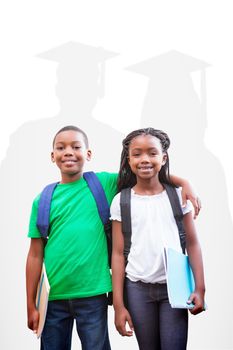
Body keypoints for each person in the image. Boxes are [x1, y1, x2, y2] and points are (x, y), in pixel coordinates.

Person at [26, 125, 201, 350]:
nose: (68, 152)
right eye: (61, 148)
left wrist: (185, 183)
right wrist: (30, 303)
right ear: (53, 156)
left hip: (94, 294)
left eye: (76, 146)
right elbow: (34, 255)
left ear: (88, 154)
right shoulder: (42, 200)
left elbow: (144, 169)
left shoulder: (103, 184)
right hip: (52, 299)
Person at [110, 127, 205, 350]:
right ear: (128, 159)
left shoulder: (178, 196)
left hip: (175, 286)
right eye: (137, 154)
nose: (145, 159)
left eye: (152, 153)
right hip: (137, 289)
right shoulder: (121, 201)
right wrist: (118, 305)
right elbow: (117, 253)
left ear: (164, 158)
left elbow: (192, 243)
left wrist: (200, 288)